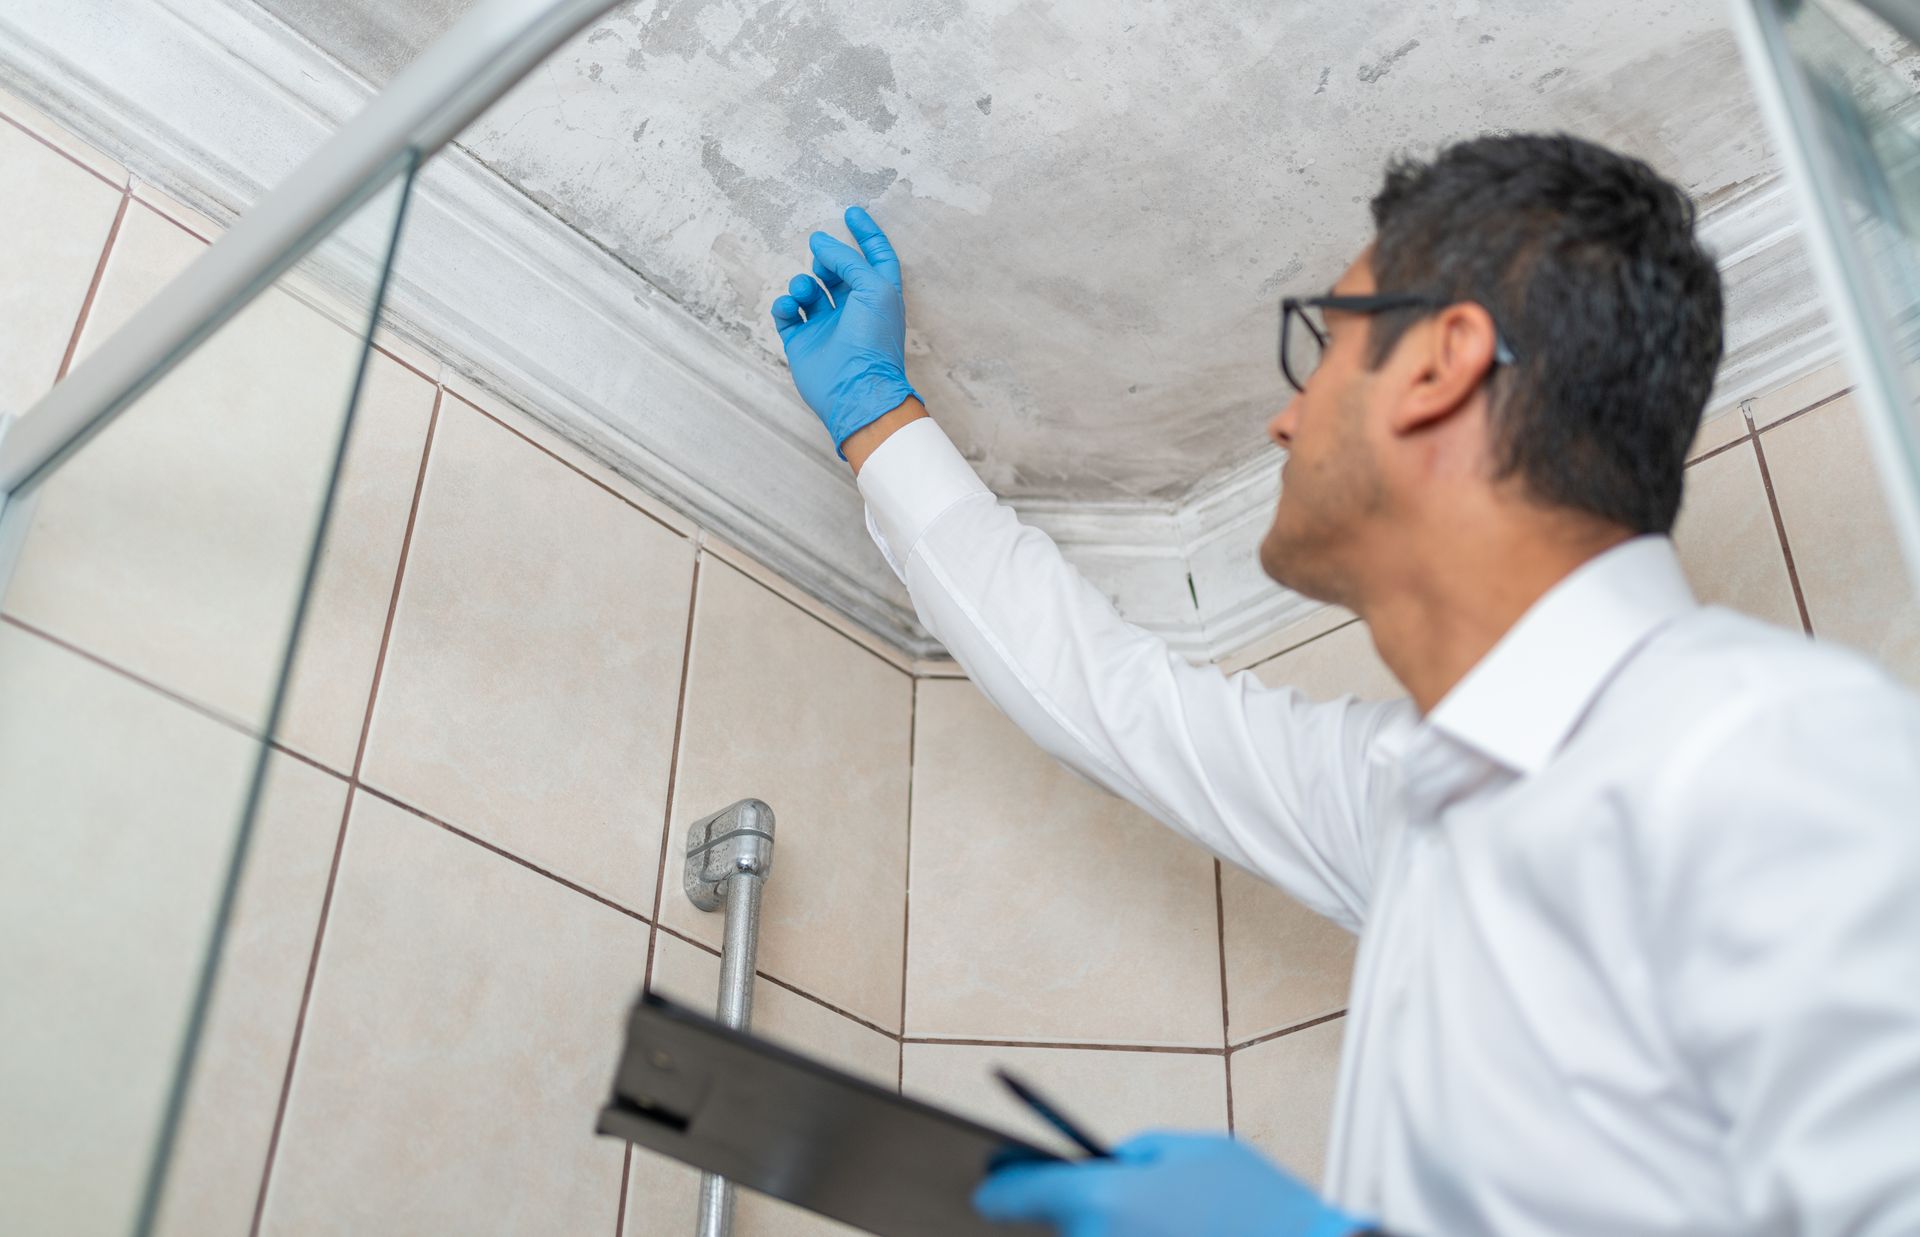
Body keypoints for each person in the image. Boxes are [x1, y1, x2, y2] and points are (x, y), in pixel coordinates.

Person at [767, 133, 1920, 1237]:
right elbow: (1114, 705)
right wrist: (880, 420)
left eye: (1316, 353)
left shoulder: (1782, 753)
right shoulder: (1414, 798)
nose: (1284, 416)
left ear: (1440, 362)